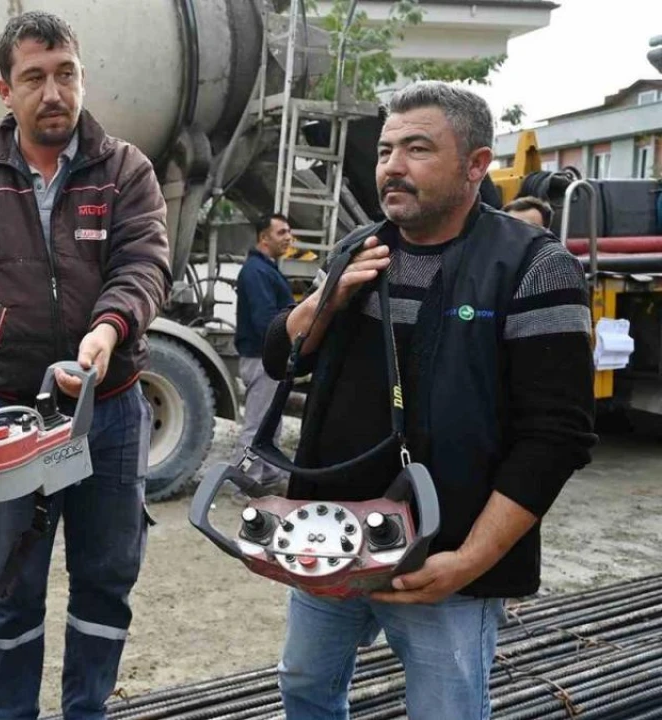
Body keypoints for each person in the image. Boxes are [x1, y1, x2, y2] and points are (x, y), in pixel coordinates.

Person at [261, 81, 596, 718]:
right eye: (386, 150)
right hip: (332, 538)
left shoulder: (534, 266)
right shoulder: (358, 249)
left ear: (476, 164)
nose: (392, 166)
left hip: (443, 558)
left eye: (417, 149)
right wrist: (326, 299)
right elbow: (283, 357)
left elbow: (557, 437)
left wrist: (469, 562)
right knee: (304, 687)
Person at [0, 11, 171, 719]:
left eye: (66, 74)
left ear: (83, 77)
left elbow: (144, 264)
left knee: (107, 579)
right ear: (6, 89)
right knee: (10, 586)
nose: (53, 92)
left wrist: (107, 332)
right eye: (34, 78)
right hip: (12, 422)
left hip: (107, 411)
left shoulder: (125, 171)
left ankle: (87, 709)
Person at [233, 212, 295, 493]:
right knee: (257, 425)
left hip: (269, 359)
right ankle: (244, 484)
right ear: (264, 237)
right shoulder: (257, 272)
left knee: (270, 421)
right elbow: (265, 320)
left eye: (289, 232)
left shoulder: (265, 269)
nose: (289, 237)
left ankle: (269, 475)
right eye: (282, 232)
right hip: (262, 359)